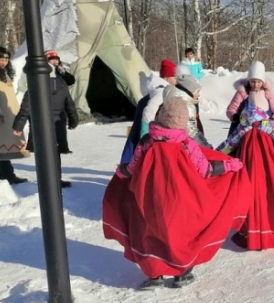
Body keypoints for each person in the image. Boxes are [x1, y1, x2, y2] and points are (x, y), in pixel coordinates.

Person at [103, 98, 250, 289]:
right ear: (182, 121)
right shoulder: (187, 145)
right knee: (182, 234)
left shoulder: (147, 141)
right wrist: (230, 164)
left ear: (160, 117)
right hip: (181, 199)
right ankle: (182, 273)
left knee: (151, 232)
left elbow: (133, 167)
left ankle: (155, 275)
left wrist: (122, 171)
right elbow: (205, 170)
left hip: (151, 199)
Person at [217, 91, 274, 250]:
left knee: (251, 194)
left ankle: (253, 229)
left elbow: (229, 143)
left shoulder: (244, 126)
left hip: (250, 167)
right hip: (271, 167)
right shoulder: (269, 125)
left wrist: (215, 156)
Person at [12, 59, 79, 188]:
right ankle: (55, 180)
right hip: (57, 124)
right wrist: (73, 120)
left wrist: (18, 125)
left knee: (43, 153)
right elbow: (69, 104)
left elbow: (26, 106)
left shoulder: (36, 83)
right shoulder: (61, 85)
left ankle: (47, 181)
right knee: (55, 152)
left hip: (39, 124)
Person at [120, 59, 177, 164]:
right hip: (146, 128)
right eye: (174, 77)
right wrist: (145, 134)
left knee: (133, 150)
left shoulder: (157, 88)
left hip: (141, 126)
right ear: (166, 77)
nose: (176, 81)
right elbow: (149, 111)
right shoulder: (162, 91)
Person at [0, 47, 29, 185]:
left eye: (6, 60)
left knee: (2, 148)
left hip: (8, 116)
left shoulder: (4, 74)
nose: (4, 62)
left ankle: (6, 175)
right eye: (1, 60)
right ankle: (5, 176)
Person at [226, 61, 274, 136]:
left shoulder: (267, 93)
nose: (256, 85)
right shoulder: (243, 92)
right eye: (253, 82)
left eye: (259, 82)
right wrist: (235, 116)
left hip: (265, 127)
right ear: (248, 81)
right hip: (245, 128)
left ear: (263, 82)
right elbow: (231, 108)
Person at [163, 73, 211, 147]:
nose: (199, 95)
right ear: (190, 91)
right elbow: (191, 131)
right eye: (197, 91)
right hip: (184, 145)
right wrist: (206, 146)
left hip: (168, 142)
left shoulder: (170, 98)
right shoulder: (187, 104)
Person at [45, 51, 75, 154]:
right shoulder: (46, 72)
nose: (55, 61)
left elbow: (71, 80)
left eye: (56, 59)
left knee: (61, 126)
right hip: (51, 104)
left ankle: (63, 147)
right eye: (52, 59)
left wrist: (63, 72)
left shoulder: (60, 71)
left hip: (62, 102)